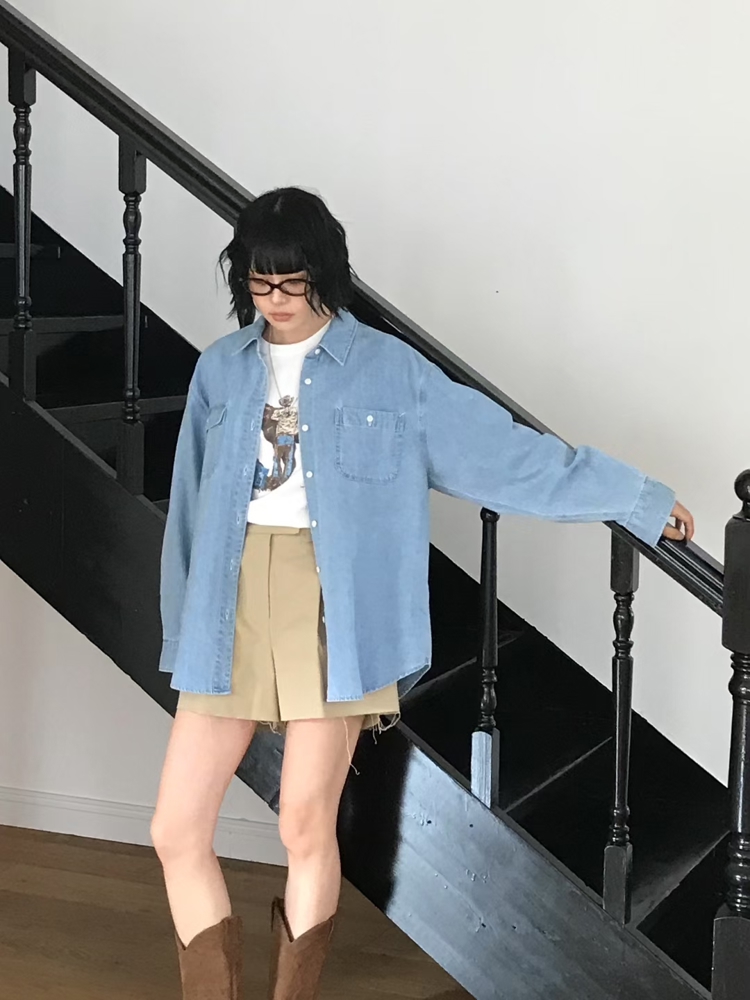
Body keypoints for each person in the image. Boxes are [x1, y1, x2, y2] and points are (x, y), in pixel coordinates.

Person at [149, 186, 695, 1000]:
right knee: (175, 827)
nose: (278, 300)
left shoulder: (390, 372)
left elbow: (505, 455)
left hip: (336, 610)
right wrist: (181, 630)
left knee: (304, 822)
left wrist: (636, 499)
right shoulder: (219, 370)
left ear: (326, 273)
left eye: (294, 282)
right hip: (226, 605)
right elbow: (190, 512)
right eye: (261, 284)